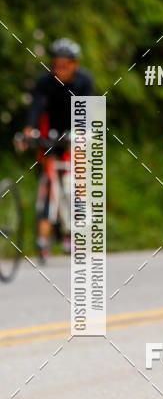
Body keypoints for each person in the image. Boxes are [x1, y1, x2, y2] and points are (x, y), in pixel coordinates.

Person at [25, 38, 94, 260]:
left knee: (75, 181)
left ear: (75, 64)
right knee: (48, 180)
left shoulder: (84, 82)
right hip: (52, 134)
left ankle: (75, 230)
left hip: (76, 130)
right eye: (56, 64)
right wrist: (29, 129)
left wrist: (80, 133)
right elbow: (37, 106)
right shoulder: (45, 82)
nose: (59, 70)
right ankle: (43, 238)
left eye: (65, 65)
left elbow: (88, 112)